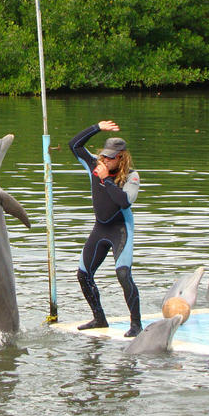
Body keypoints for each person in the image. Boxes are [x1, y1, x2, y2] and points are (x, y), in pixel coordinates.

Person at [69, 120, 142, 337]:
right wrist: (97, 127)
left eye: (111, 157)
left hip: (121, 229)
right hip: (100, 228)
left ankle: (136, 325)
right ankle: (99, 318)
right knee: (83, 274)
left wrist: (106, 180)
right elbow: (74, 145)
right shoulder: (94, 165)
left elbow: (124, 202)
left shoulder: (131, 175)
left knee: (122, 273)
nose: (105, 159)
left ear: (121, 157)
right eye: (104, 155)